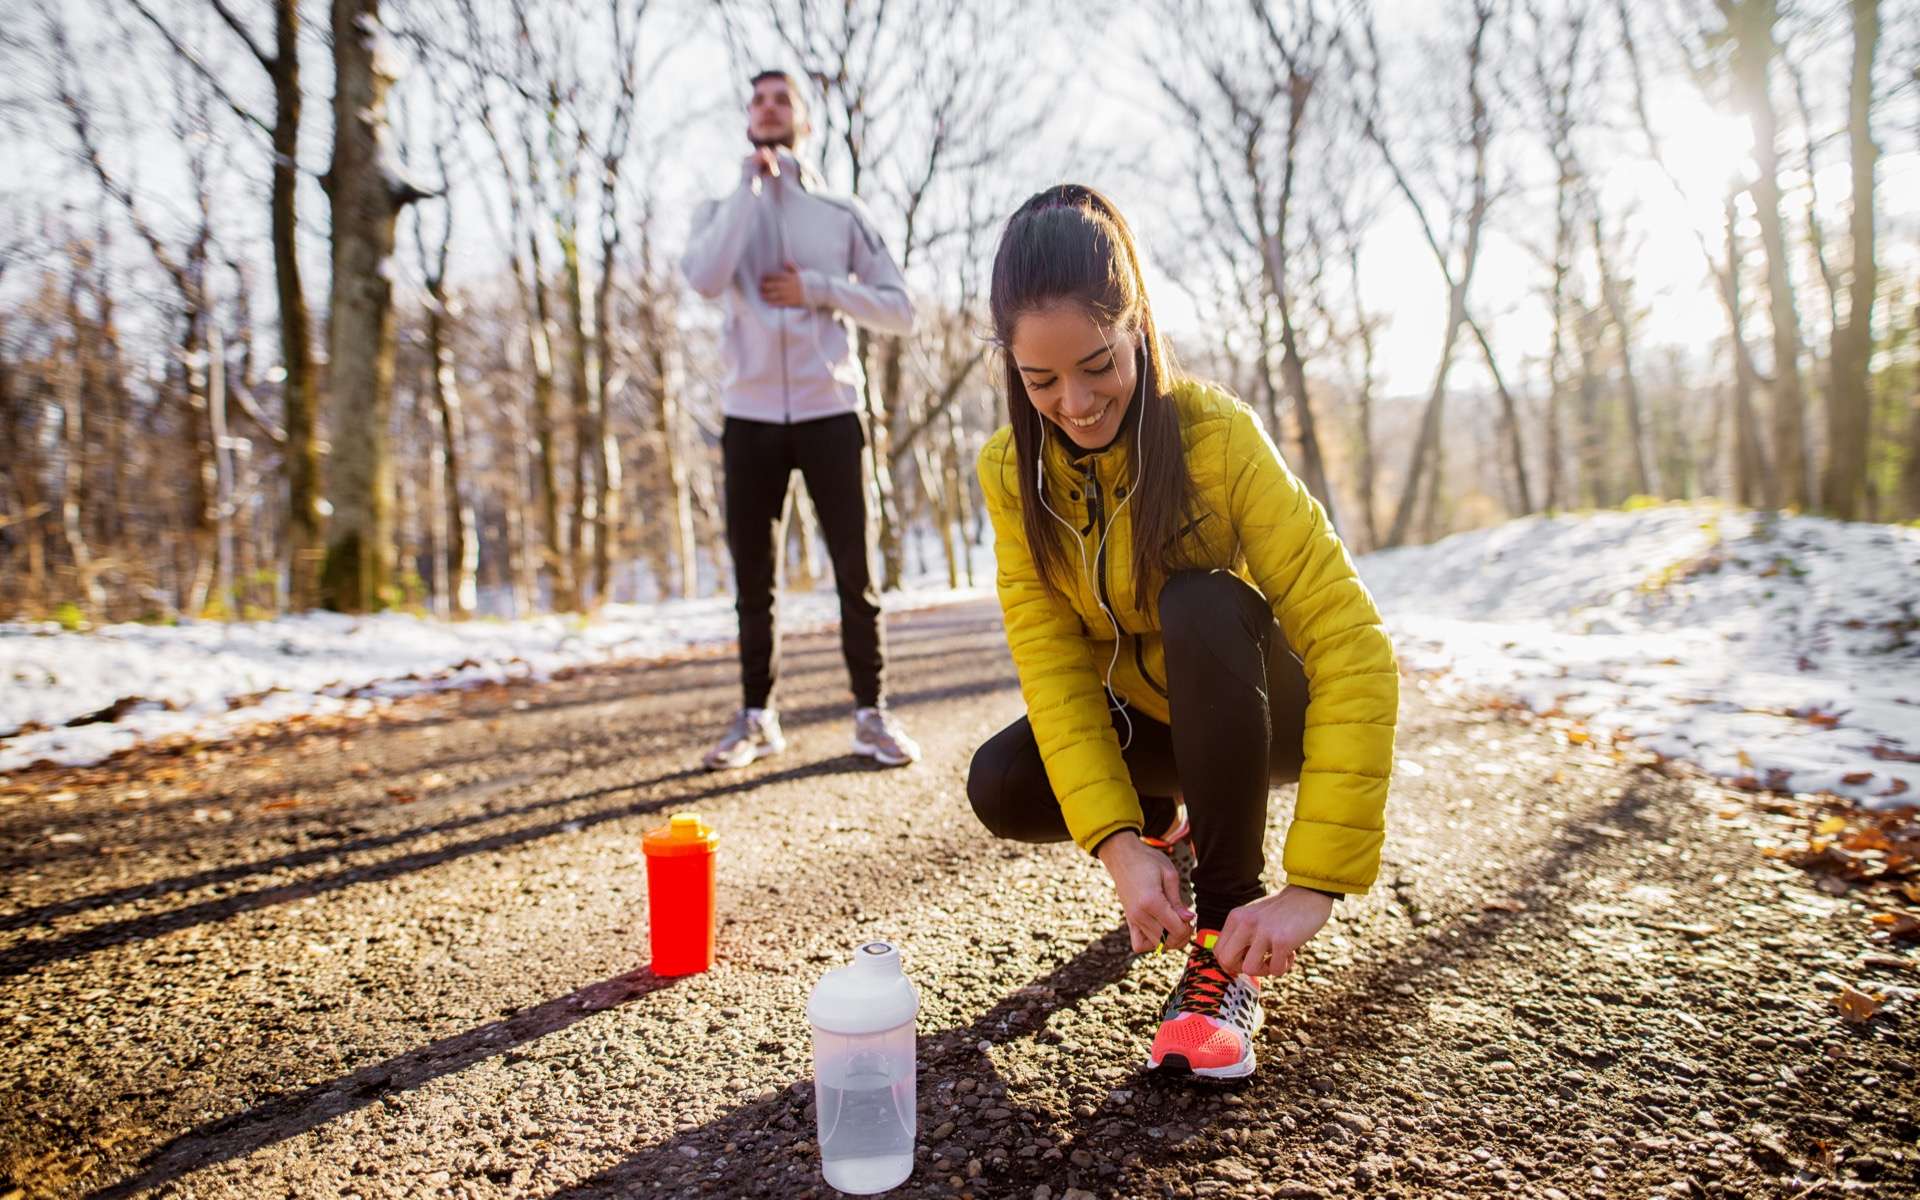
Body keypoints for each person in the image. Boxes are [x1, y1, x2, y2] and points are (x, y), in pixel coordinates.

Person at [966, 185, 1398, 1080]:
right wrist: (1121, 844)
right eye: (1039, 380)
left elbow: (1353, 644)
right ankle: (1169, 829)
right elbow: (1053, 669)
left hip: (1260, 710)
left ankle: (1223, 945)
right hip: (1154, 726)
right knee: (1004, 783)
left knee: (1201, 601)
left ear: (1139, 329)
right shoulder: (1012, 474)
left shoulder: (1216, 438)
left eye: (1098, 364)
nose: (1076, 403)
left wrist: (1312, 888)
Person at [681, 69, 921, 771]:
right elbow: (702, 278)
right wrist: (749, 191)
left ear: (803, 121)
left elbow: (900, 309)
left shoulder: (841, 213)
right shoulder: (719, 208)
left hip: (829, 411)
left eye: (782, 99)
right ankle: (757, 718)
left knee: (855, 570)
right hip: (748, 414)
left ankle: (871, 714)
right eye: (757, 99)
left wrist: (817, 288)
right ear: (746, 118)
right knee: (754, 580)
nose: (768, 108)